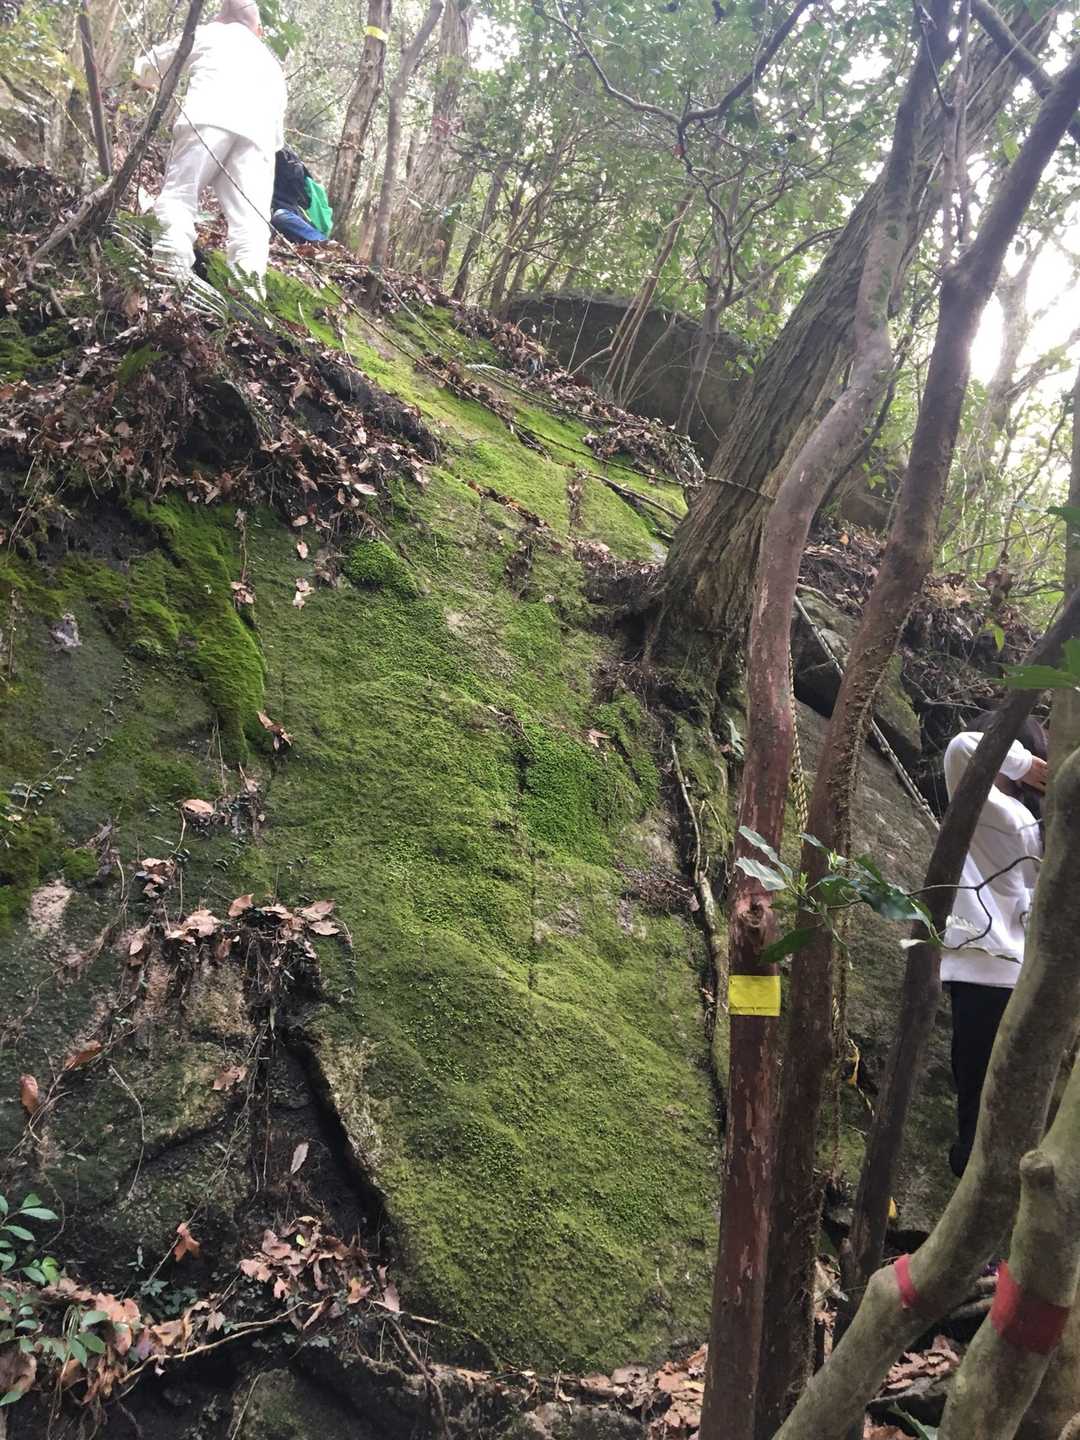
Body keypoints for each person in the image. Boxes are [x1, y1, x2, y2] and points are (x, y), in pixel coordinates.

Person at [941, 712, 1048, 1177]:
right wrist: (1028, 766)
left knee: (984, 1098)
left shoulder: (1012, 813)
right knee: (988, 1098)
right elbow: (966, 747)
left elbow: (963, 746)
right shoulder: (1001, 806)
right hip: (999, 971)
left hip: (994, 972)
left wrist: (1023, 767)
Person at [134, 0, 287, 290]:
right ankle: (248, 298)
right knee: (251, 225)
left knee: (180, 197)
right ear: (259, 30)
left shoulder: (211, 33)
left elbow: (152, 64)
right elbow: (278, 137)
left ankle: (171, 279)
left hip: (206, 120)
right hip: (259, 141)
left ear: (220, 17)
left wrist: (141, 77)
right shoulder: (273, 65)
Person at [270, 147, 328, 245]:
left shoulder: (284, 157)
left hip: (291, 213)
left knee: (281, 216)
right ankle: (320, 241)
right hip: (277, 214)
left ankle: (322, 241)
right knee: (280, 216)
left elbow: (302, 193)